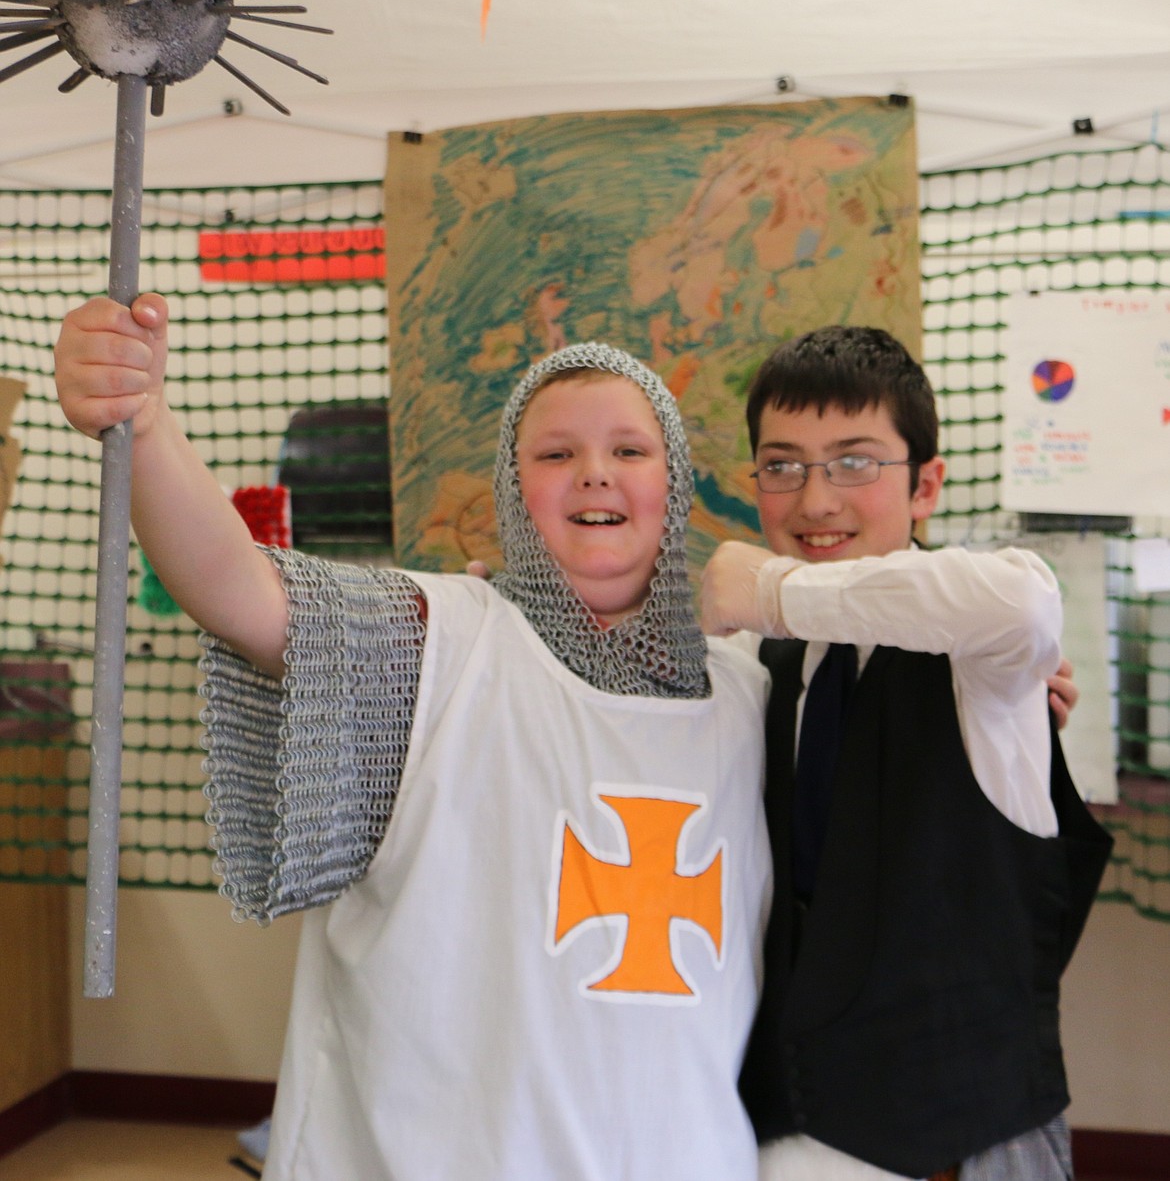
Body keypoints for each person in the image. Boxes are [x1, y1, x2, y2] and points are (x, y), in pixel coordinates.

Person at [55, 295, 772, 1181]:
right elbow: (239, 590)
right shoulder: (441, 638)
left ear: (677, 481)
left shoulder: (749, 693)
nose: (595, 472)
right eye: (556, 453)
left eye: (630, 449)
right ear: (512, 490)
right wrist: (147, 422)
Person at [700, 325, 1113, 1181]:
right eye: (782, 465)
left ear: (926, 485)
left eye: (855, 462)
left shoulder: (984, 651)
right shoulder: (761, 662)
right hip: (787, 1131)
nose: (815, 500)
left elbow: (1021, 602)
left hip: (962, 1137)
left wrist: (770, 588)